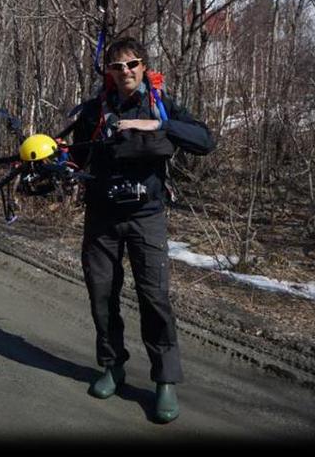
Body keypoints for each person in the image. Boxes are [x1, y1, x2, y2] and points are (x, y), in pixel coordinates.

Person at [70, 36, 215, 424]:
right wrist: (47, 158)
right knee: (102, 295)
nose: (126, 72)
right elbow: (75, 157)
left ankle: (164, 380)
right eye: (117, 66)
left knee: (154, 298)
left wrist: (157, 124)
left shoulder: (160, 103)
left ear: (143, 65)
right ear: (109, 72)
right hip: (101, 217)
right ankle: (112, 366)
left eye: (132, 64)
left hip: (146, 215)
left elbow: (205, 140)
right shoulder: (93, 110)